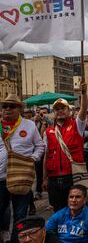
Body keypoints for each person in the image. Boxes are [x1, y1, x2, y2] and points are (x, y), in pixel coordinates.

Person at [0, 94, 45, 243]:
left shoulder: (29, 125)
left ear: (19, 109)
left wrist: (32, 159)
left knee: (20, 215)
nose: (7, 109)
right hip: (0, 178)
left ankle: (15, 241)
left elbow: (40, 146)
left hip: (22, 178)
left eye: (11, 106)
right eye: (4, 106)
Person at [43, 81, 88, 212]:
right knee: (58, 211)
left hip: (72, 176)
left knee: (76, 210)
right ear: (54, 112)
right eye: (57, 109)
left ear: (69, 110)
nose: (60, 111)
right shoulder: (48, 131)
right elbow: (46, 155)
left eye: (63, 108)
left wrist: (83, 93)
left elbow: (84, 110)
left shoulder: (76, 125)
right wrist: (44, 178)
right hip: (54, 178)